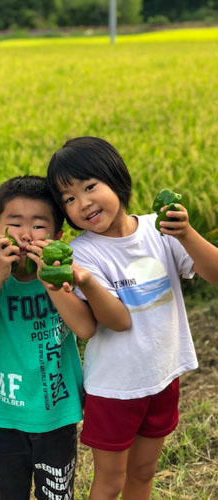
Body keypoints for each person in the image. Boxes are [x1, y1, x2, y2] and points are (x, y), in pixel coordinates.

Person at [46, 136, 218, 500]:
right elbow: (116, 320)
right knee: (110, 482)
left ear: (116, 178)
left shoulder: (161, 230)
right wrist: (85, 281)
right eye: (70, 199)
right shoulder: (81, 255)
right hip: (115, 388)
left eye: (90, 186)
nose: (84, 203)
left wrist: (186, 233)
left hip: (161, 375)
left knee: (144, 472)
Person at [0, 175, 98, 500]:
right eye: (15, 224)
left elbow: (85, 329)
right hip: (4, 413)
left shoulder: (64, 282)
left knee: (56, 494)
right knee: (8, 493)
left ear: (59, 237)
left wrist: (50, 277)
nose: (25, 234)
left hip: (56, 412)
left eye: (38, 226)